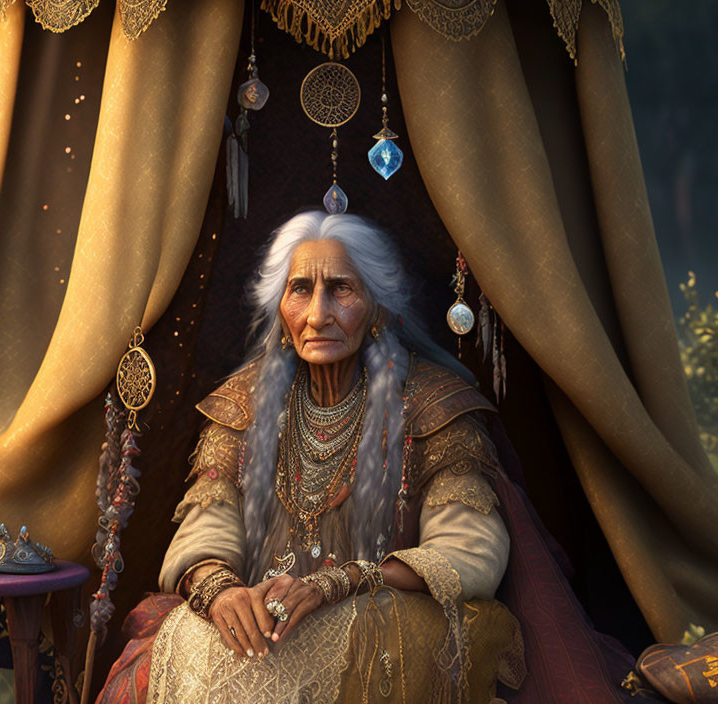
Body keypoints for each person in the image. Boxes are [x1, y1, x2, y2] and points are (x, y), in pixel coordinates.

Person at [98, 212, 527, 703]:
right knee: (190, 639)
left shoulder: (432, 405)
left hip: (380, 620)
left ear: (376, 309)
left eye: (341, 288)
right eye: (300, 289)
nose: (318, 314)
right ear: (280, 307)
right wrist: (223, 592)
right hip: (267, 618)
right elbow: (204, 531)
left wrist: (340, 583)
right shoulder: (244, 402)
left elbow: (471, 555)